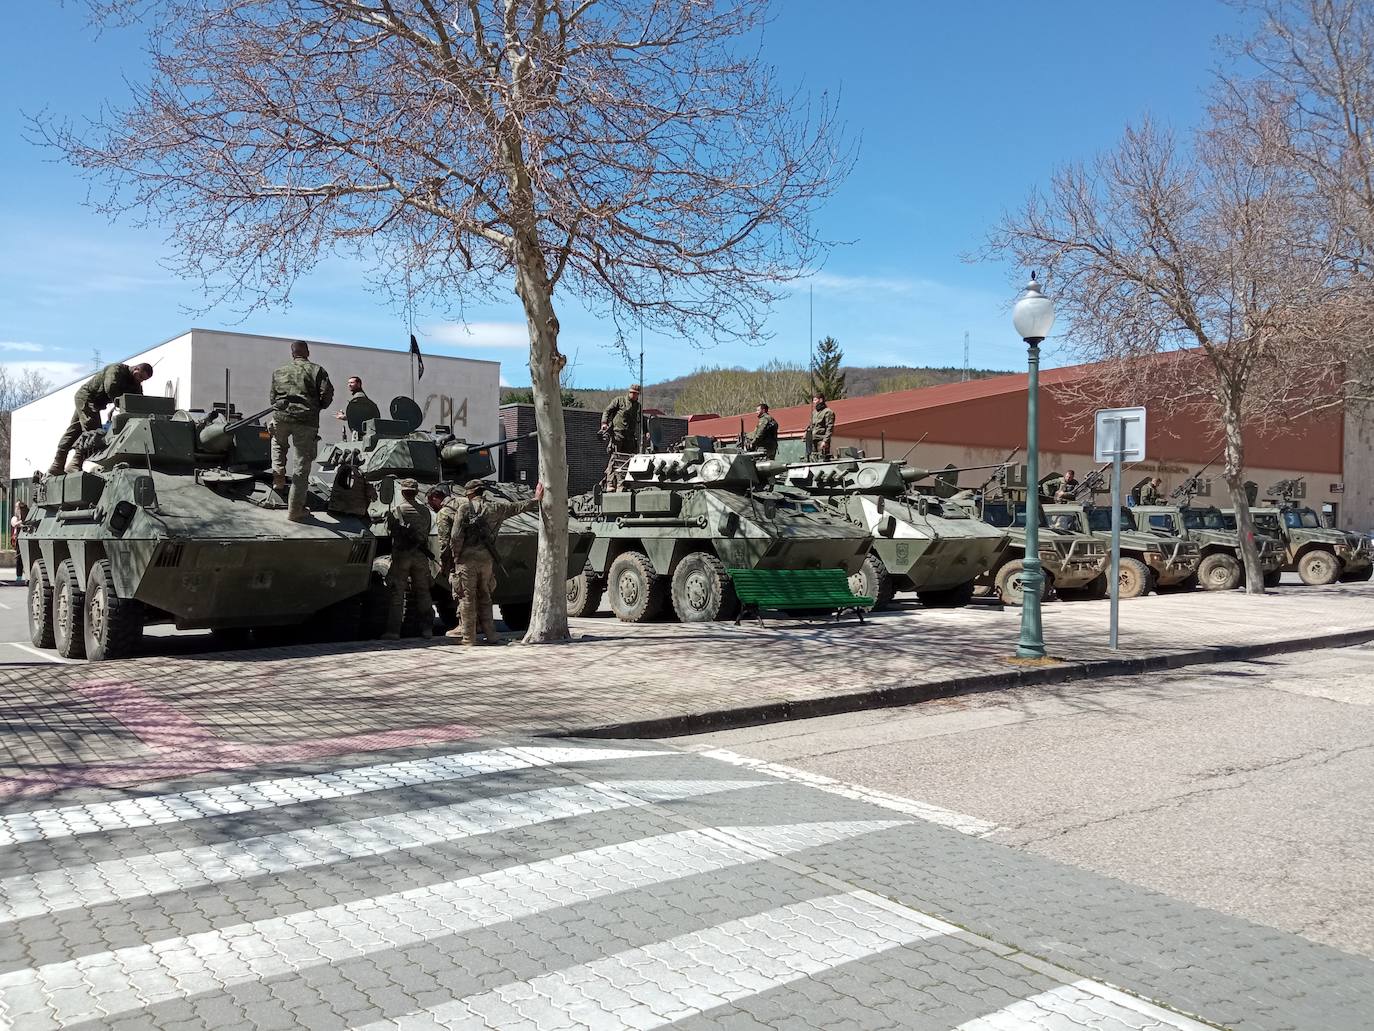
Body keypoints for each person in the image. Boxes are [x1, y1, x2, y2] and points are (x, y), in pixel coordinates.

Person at [445, 478, 543, 645]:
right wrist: (535, 499)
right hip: (487, 560)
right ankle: (491, 635)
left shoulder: (464, 509)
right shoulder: (496, 508)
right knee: (485, 596)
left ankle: (469, 638)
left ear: (470, 493)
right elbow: (516, 507)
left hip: (466, 560)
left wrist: (456, 556)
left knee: (467, 598)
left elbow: (455, 536)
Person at [268, 339, 334, 521]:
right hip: (306, 420)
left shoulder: (279, 371)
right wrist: (317, 407)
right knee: (301, 466)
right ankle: (295, 510)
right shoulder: (317, 370)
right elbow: (327, 393)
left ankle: (278, 479)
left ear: (292, 354)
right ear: (307, 352)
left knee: (278, 443)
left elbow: (272, 398)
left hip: (281, 417)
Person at [48, 362, 154, 475]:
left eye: (144, 380)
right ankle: (73, 464)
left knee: (74, 432)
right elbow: (111, 387)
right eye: (141, 377)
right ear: (136, 369)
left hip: (94, 403)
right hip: (87, 398)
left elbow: (138, 400)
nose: (141, 380)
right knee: (93, 432)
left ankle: (57, 466)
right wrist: (120, 404)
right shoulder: (117, 370)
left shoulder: (135, 383)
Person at [382, 478, 434, 641]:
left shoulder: (397, 511)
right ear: (417, 492)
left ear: (403, 492)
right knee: (423, 592)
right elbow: (426, 530)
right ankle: (427, 630)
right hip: (420, 556)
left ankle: (393, 631)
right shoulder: (425, 511)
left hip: (402, 556)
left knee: (398, 592)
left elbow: (389, 530)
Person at [600, 383, 643, 488]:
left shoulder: (638, 406)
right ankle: (610, 483)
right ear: (629, 392)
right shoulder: (619, 401)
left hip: (630, 436)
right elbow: (607, 411)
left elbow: (641, 420)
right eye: (632, 393)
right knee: (615, 458)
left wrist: (646, 431)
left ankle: (623, 482)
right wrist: (604, 423)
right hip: (617, 433)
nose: (634, 395)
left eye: (636, 394)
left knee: (627, 459)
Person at [807, 395, 835, 459]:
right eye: (813, 400)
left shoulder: (828, 412)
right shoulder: (814, 412)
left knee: (822, 458)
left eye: (815, 400)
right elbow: (811, 425)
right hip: (813, 440)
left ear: (821, 400)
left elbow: (829, 428)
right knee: (813, 459)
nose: (814, 402)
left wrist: (825, 441)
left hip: (821, 440)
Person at [10, 501, 28, 585]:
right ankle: (19, 577)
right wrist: (22, 522)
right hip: (18, 541)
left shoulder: (27, 516)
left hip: (26, 539)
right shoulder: (15, 518)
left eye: (18, 507)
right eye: (16, 507)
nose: (16, 509)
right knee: (19, 559)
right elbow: (14, 524)